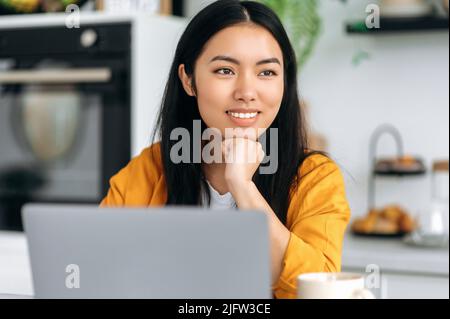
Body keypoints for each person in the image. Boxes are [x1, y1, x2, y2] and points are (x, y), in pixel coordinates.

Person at [101, 0, 351, 299]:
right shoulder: (149, 169)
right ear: (189, 80)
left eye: (267, 73)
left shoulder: (315, 178)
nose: (246, 92)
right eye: (225, 70)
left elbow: (320, 291)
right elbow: (101, 274)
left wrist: (243, 187)